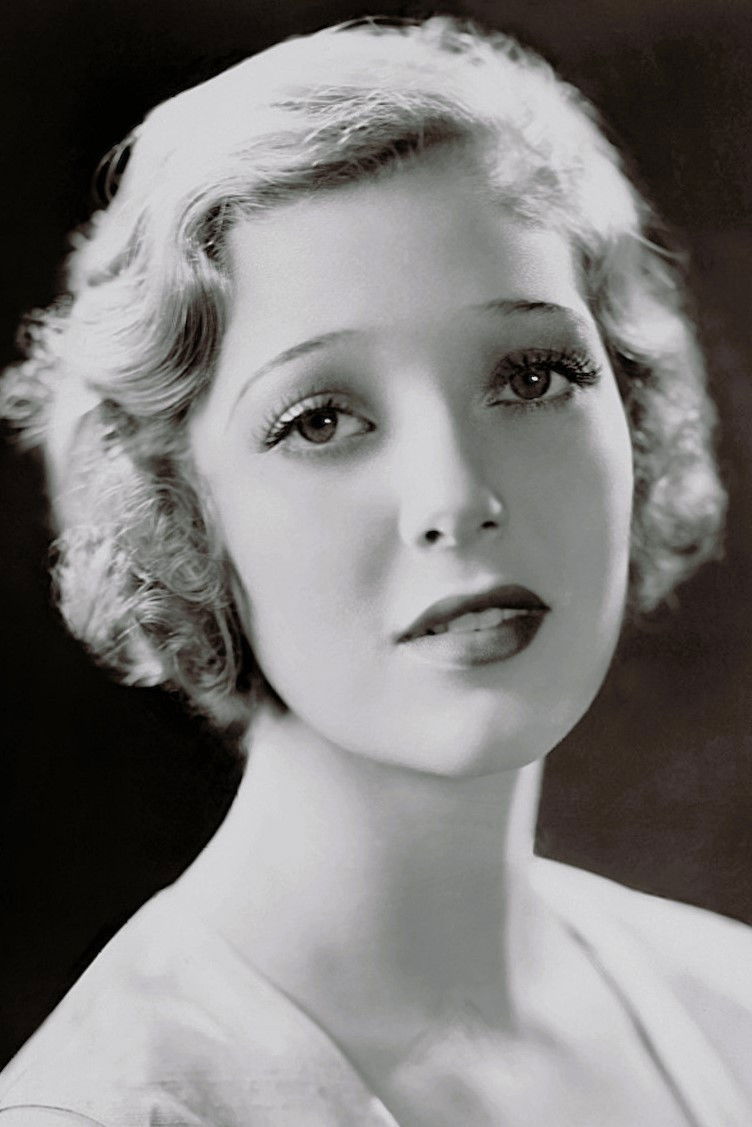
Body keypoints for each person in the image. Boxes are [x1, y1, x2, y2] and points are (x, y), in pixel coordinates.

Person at [0, 14, 749, 1126]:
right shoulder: (111, 1109)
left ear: (632, 414)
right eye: (320, 419)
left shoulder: (729, 1011)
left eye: (531, 375)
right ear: (176, 510)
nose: (454, 496)